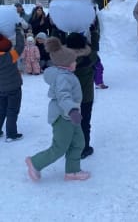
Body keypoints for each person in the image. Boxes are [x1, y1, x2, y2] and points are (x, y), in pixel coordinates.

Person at [25, 37, 90, 181]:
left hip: (71, 116)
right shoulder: (63, 78)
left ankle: (72, 171)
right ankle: (35, 162)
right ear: (66, 64)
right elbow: (63, 96)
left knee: (78, 142)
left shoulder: (67, 74)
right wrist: (72, 110)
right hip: (63, 116)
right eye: (73, 61)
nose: (75, 62)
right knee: (60, 147)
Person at [65, 30, 98, 159]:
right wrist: (93, 29)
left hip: (69, 98)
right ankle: (84, 148)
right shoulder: (90, 58)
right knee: (84, 123)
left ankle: (69, 146)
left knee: (70, 122)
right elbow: (93, 47)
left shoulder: (63, 59)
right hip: (86, 98)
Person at [0, 25, 24, 141]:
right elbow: (20, 46)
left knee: (1, 109)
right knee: (12, 110)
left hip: (0, 89)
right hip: (14, 88)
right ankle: (11, 134)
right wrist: (18, 31)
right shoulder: (11, 56)